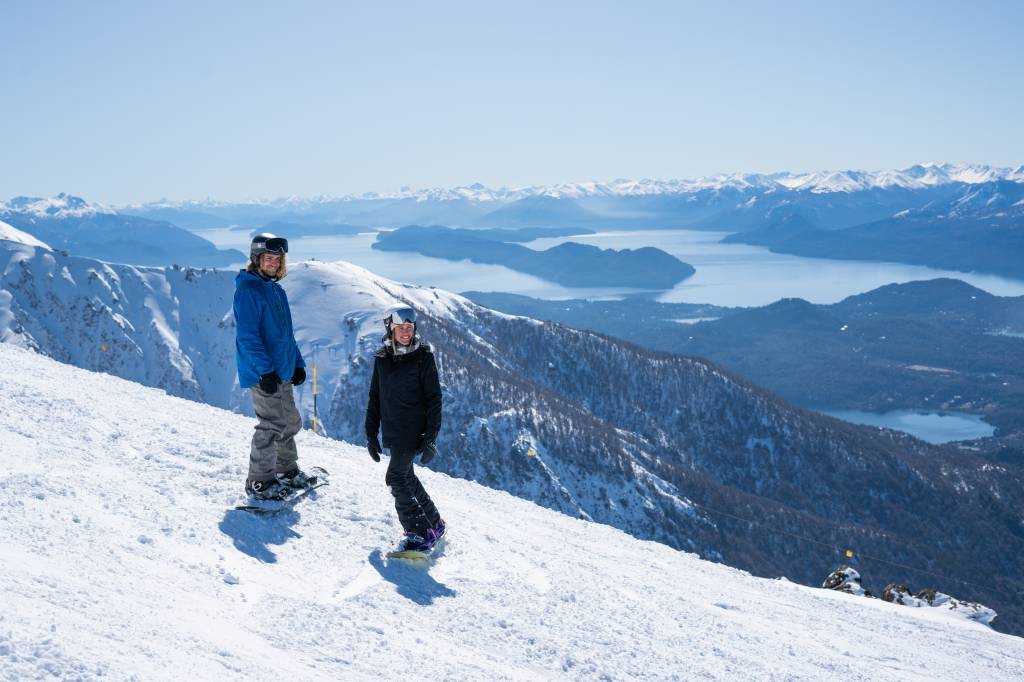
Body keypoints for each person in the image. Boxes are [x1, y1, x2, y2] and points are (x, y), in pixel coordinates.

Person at [233, 233, 311, 500]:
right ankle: (259, 481)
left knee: (290, 421)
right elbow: (248, 337)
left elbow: (286, 335)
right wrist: (265, 370)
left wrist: (297, 363)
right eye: (268, 258)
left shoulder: (277, 291)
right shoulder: (249, 291)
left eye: (278, 259)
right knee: (271, 424)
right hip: (263, 373)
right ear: (257, 259)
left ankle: (285, 470)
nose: (274, 263)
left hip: (282, 371)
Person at [365, 307, 446, 551]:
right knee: (407, 476)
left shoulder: (423, 356)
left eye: (409, 328)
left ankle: (419, 534)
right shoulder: (382, 358)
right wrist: (371, 434)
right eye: (400, 328)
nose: (406, 332)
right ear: (390, 329)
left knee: (396, 478)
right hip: (393, 431)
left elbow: (434, 399)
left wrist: (431, 437)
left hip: (414, 430)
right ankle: (434, 523)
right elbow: (375, 397)